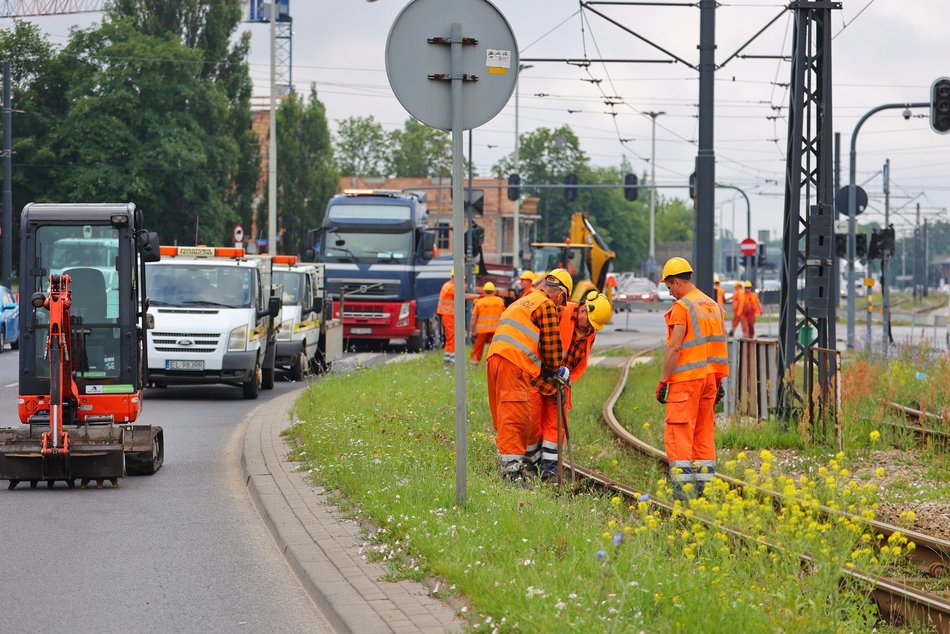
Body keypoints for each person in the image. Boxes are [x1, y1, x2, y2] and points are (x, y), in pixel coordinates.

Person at [486, 269, 573, 482]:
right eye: (562, 304)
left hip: (495, 359)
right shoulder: (547, 306)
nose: (561, 308)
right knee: (515, 418)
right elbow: (552, 350)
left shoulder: (525, 301)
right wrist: (557, 370)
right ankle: (511, 474)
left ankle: (509, 464)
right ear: (561, 295)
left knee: (504, 414)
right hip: (513, 363)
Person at [655, 257, 729, 500]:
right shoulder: (713, 305)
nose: (670, 293)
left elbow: (674, 347)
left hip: (686, 380)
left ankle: (683, 493)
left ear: (676, 282)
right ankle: (705, 490)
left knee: (679, 432)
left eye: (669, 287)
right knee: (704, 432)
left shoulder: (683, 307)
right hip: (711, 380)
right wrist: (718, 381)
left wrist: (663, 381)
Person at [530, 291, 611, 482]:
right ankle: (529, 466)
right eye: (589, 322)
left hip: (561, 382)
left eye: (594, 326)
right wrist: (551, 368)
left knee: (556, 426)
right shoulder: (561, 312)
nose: (591, 328)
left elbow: (579, 361)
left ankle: (549, 472)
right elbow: (541, 341)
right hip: (538, 376)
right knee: (532, 422)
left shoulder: (591, 332)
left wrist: (567, 379)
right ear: (583, 310)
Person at [469, 281, 505, 366]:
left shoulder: (479, 302)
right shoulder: (499, 301)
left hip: (482, 330)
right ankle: (490, 365)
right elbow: (504, 315)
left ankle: (473, 365)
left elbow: (473, 318)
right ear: (494, 291)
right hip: (495, 330)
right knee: (493, 349)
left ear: (484, 291)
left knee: (477, 348)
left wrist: (471, 330)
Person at [437, 269, 456, 363]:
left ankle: (447, 358)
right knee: (452, 337)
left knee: (450, 337)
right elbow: (462, 295)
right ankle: (452, 360)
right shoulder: (451, 287)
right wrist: (476, 296)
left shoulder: (447, 285)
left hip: (447, 314)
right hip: (448, 315)